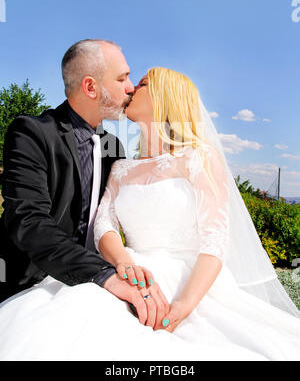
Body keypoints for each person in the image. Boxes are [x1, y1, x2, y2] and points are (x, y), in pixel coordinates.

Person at [0, 67, 300, 362]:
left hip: (187, 280)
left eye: (141, 84)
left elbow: (214, 242)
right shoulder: (120, 165)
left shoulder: (199, 158)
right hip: (130, 269)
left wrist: (181, 307)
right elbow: (104, 223)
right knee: (63, 319)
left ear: (164, 97)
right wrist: (123, 263)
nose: (130, 89)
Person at [0, 39, 169, 326]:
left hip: (93, 296)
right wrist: (104, 274)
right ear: (91, 87)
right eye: (122, 78)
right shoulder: (31, 133)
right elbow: (28, 221)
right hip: (28, 288)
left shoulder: (114, 148)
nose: (130, 87)